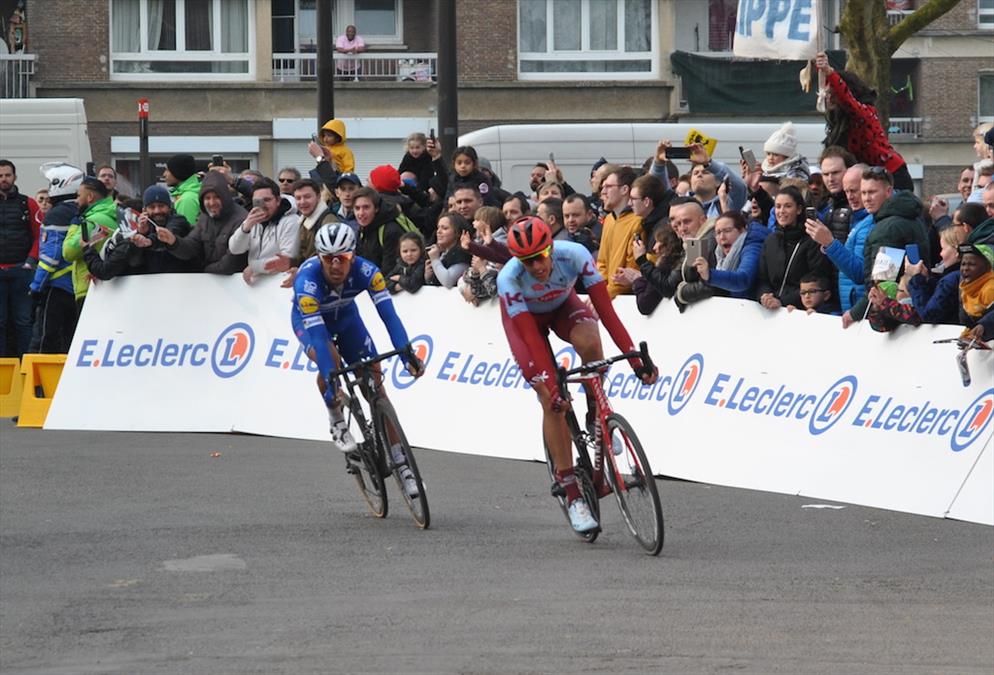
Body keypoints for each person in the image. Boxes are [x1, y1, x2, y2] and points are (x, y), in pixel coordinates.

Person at [496, 216, 656, 533]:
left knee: (591, 340)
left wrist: (636, 361)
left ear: (551, 248)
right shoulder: (509, 279)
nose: (537, 266)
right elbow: (531, 339)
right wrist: (552, 390)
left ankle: (596, 415)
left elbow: (607, 314)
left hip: (562, 307)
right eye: (527, 261)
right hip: (526, 324)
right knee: (549, 398)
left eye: (541, 256)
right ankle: (571, 494)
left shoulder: (575, 254)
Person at [291, 222, 424, 494]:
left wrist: (405, 352)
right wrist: (332, 382)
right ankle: (336, 419)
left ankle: (402, 463)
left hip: (348, 320)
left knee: (375, 384)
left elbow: (389, 316)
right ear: (318, 257)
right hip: (311, 326)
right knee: (332, 361)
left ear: (354, 255)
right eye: (328, 258)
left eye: (344, 258)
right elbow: (318, 337)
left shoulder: (368, 272)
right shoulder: (307, 282)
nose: (336, 265)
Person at [816, 52, 913, 191]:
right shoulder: (840, 122)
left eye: (832, 92)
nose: (828, 97)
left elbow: (847, 99)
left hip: (892, 177)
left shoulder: (864, 113)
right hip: (869, 177)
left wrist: (829, 71)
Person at [847, 167, 930, 325]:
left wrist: (854, 314)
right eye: (863, 193)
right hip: (913, 303)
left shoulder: (888, 229)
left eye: (872, 192)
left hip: (895, 317)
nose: (866, 198)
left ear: (888, 191)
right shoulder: (910, 216)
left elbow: (883, 283)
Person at [30, 163, 83, 354]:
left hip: (57, 286)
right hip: (78, 285)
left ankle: (41, 383)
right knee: (71, 338)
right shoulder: (81, 210)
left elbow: (50, 257)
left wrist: (36, 287)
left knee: (47, 338)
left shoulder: (55, 215)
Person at [756, 186, 834, 311]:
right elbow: (762, 279)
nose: (781, 211)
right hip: (771, 311)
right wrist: (765, 296)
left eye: (787, 206)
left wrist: (781, 301)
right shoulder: (770, 240)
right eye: (778, 206)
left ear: (798, 209)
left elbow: (817, 279)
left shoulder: (812, 240)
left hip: (801, 311)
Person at [164, 171, 246, 275]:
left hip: (238, 284)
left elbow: (230, 264)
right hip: (211, 281)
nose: (212, 203)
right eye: (207, 198)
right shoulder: (205, 218)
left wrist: (204, 270)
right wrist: (173, 241)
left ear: (225, 197)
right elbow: (191, 246)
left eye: (216, 197)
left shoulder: (241, 219)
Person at [0, 159, 40, 356]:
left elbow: (39, 235)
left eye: (7, 175)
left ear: (14, 177)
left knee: (24, 322)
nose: (4, 179)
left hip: (21, 271)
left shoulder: (29, 203)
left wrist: (30, 261)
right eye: (0, 176)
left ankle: (25, 369)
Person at [228, 178, 300, 285]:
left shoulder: (291, 221)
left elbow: (284, 261)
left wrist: (253, 267)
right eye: (257, 201)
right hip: (257, 286)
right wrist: (246, 228)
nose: (262, 205)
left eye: (267, 200)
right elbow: (235, 249)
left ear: (278, 201)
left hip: (281, 283)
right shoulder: (253, 220)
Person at [62, 176, 118, 306]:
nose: (76, 200)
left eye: (79, 195)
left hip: (90, 289)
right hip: (110, 287)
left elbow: (68, 252)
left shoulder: (91, 222)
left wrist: (74, 226)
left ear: (90, 197)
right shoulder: (112, 216)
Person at [692, 211, 768, 299]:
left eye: (727, 231)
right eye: (718, 233)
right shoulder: (718, 252)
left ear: (742, 230)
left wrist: (709, 274)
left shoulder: (753, 247)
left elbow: (743, 280)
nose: (722, 237)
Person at [596, 166, 642, 298]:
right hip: (609, 295)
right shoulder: (609, 219)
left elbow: (631, 270)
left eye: (608, 187)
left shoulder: (637, 221)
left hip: (627, 298)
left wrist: (605, 295)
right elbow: (601, 262)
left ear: (624, 189)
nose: (603, 192)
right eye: (602, 187)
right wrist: (601, 290)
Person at [352, 186, 407, 275]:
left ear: (376, 208)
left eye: (366, 207)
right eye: (357, 208)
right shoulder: (363, 229)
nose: (361, 213)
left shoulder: (391, 231)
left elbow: (389, 270)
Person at [631, 224, 683, 315]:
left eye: (658, 242)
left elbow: (644, 304)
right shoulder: (671, 265)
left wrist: (637, 280)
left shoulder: (665, 267)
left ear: (667, 245)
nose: (654, 248)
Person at [291, 178, 339, 265]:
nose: (302, 202)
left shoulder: (329, 223)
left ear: (318, 197)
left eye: (307, 197)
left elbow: (329, 260)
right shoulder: (303, 219)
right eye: (298, 198)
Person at [957, 243, 994, 341]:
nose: (965, 268)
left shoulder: (990, 289)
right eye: (963, 264)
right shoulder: (965, 290)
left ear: (986, 267)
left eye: (972, 264)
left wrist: (983, 327)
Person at [425, 212, 471, 288]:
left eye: (445, 228)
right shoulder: (441, 253)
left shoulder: (463, 253)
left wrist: (435, 260)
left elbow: (448, 281)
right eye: (438, 228)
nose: (439, 232)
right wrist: (428, 276)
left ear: (458, 232)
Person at [163, 154, 202, 227]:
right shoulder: (190, 194)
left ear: (178, 172)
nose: (164, 174)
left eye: (168, 170)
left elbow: (184, 232)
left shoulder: (187, 199)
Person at [385, 231, 427, 295]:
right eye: (405, 251)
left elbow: (413, 285)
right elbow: (384, 283)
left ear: (421, 250)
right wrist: (397, 287)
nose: (409, 254)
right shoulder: (400, 265)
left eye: (413, 250)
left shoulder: (422, 264)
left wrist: (399, 278)